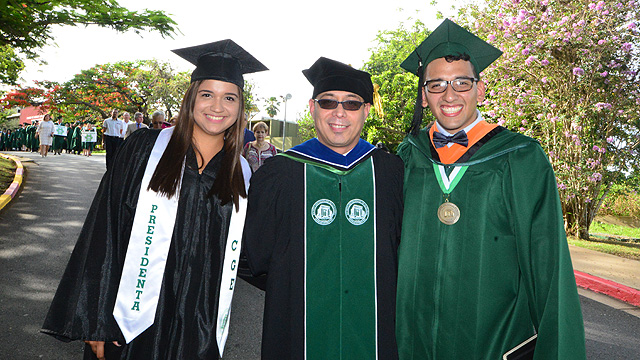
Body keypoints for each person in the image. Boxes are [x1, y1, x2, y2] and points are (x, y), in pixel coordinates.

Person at [42, 39, 266, 360]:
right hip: (131, 320)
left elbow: (247, 253)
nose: (217, 106)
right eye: (207, 94)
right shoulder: (146, 149)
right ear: (191, 99)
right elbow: (104, 226)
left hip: (198, 319)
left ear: (239, 106)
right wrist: (96, 319)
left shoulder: (241, 173)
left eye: (229, 97)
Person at [394, 19, 586, 359]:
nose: (449, 95)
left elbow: (549, 269)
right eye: (436, 84)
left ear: (480, 90)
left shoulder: (521, 158)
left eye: (461, 83)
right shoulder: (409, 156)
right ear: (424, 96)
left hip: (493, 343)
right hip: (413, 343)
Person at [242, 57, 403, 359]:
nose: (339, 112)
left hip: (375, 331)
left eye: (352, 104)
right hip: (296, 328)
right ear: (312, 106)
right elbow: (257, 257)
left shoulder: (390, 173)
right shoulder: (279, 174)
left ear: (366, 110)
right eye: (328, 102)